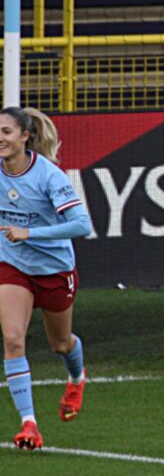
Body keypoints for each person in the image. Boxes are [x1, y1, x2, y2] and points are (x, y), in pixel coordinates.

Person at [0, 106, 93, 451]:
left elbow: (82, 225)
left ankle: (76, 377)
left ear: (25, 136)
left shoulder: (49, 176)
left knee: (61, 343)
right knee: (12, 339)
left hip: (54, 269)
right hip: (13, 266)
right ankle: (29, 424)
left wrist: (31, 233)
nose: (0, 138)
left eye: (7, 132)